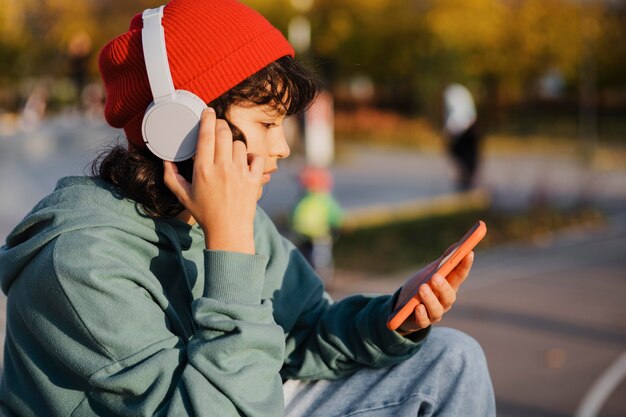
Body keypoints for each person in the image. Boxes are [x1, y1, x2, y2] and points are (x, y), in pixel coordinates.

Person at [0, 1, 496, 416]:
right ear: (183, 129)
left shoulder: (234, 220)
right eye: (266, 124)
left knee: (452, 358)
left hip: (241, 393)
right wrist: (230, 247)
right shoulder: (79, 264)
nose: (281, 148)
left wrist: (390, 318)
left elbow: (300, 334)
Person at [290, 165, 344, 287]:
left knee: (320, 258)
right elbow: (296, 212)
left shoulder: (325, 199)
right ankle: (306, 278)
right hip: (302, 235)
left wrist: (337, 225)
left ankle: (323, 280)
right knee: (303, 258)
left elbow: (335, 213)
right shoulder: (304, 198)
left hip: (320, 234)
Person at [442, 83, 481, 191]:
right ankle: (467, 180)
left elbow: (455, 115)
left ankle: (465, 180)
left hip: (460, 129)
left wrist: (449, 131)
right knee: (467, 157)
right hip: (468, 126)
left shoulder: (451, 94)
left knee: (461, 156)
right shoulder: (459, 92)